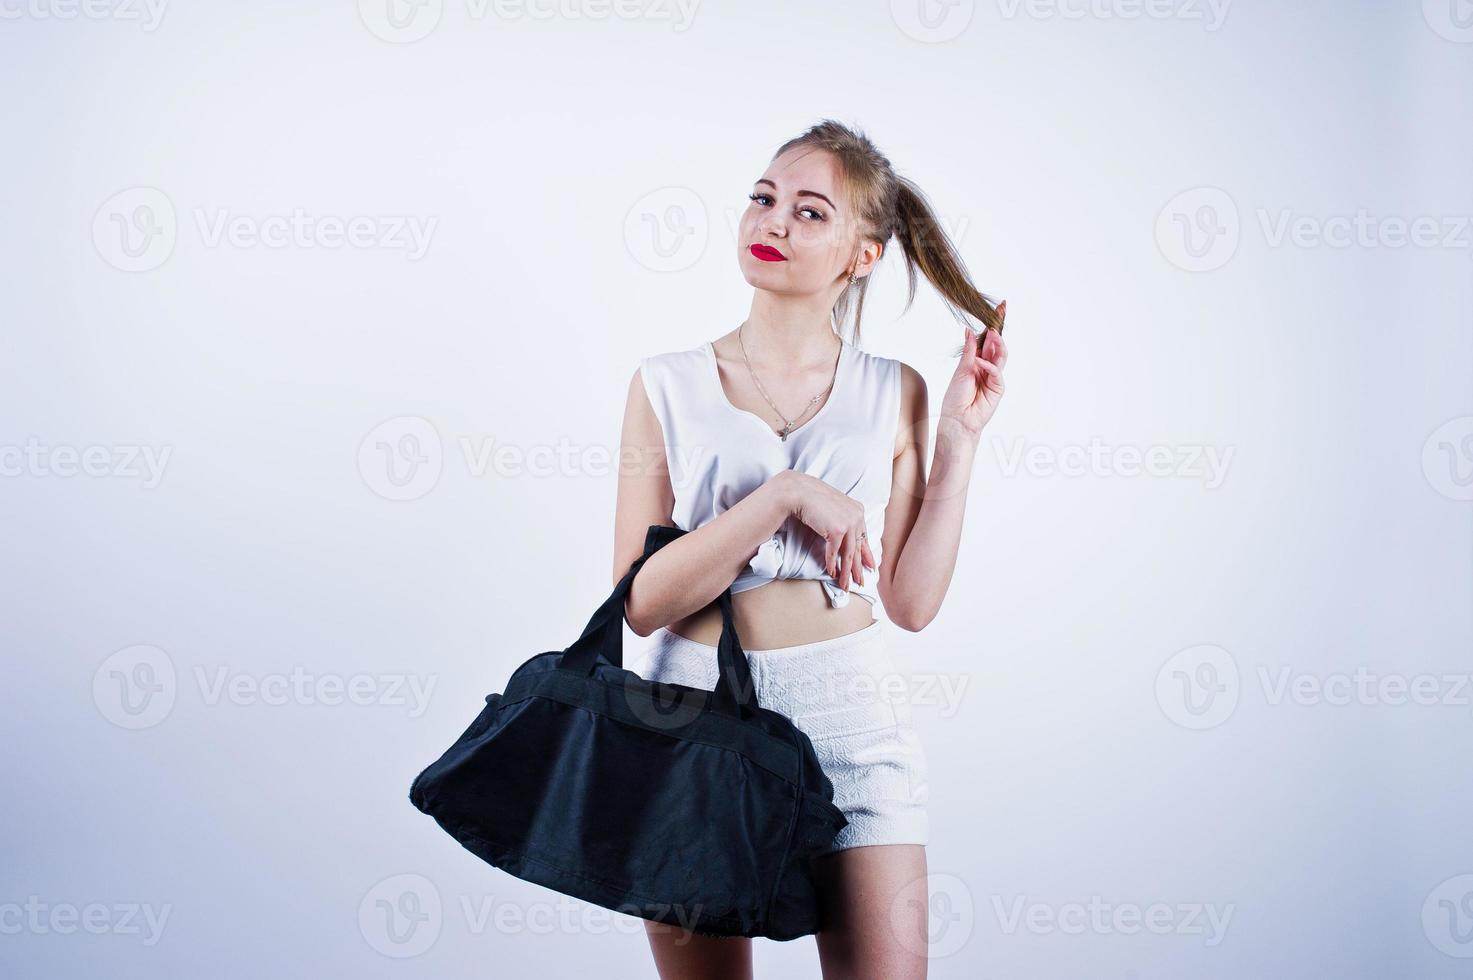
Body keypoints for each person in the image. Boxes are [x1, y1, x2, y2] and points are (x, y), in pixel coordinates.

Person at [612, 118, 1009, 980]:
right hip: (692, 718)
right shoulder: (665, 383)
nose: (772, 223)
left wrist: (959, 443)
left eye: (808, 212)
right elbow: (640, 601)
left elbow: (909, 603)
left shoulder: (892, 389)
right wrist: (787, 495)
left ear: (861, 255)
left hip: (852, 721)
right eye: (762, 199)